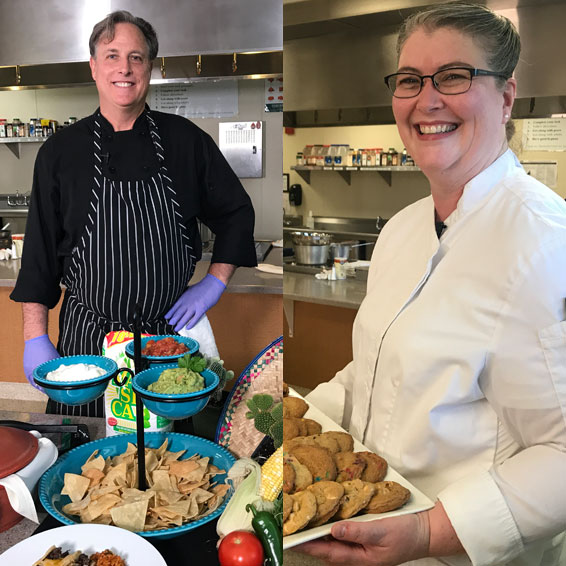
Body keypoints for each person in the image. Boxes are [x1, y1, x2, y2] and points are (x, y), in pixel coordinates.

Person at [298, 3, 566, 565]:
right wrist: (299, 415)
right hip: (366, 529)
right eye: (410, 80)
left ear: (507, 97)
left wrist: (429, 533)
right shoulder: (403, 227)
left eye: (454, 76)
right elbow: (376, 369)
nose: (427, 99)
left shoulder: (543, 244)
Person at [10, 11, 256, 416]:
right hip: (88, 343)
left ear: (150, 69)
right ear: (93, 66)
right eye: (111, 55)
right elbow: (39, 254)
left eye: (136, 57)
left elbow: (236, 213)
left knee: (170, 462)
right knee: (84, 457)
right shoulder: (59, 152)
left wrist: (214, 282)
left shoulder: (186, 141)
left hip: (166, 341)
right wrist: (34, 336)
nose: (124, 68)